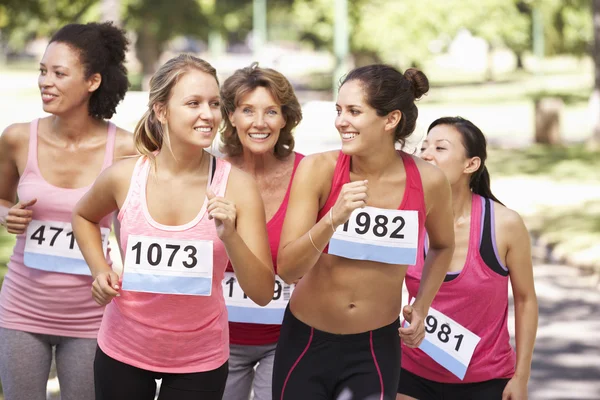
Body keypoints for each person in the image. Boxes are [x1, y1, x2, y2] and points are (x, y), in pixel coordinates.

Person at [71, 54, 275, 400]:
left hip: (200, 358)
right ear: (161, 111)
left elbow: (261, 292)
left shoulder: (237, 186)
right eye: (193, 103)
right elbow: (84, 216)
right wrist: (99, 270)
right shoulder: (124, 176)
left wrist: (231, 236)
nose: (208, 115)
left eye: (214, 103)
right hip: (123, 348)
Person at [272, 64, 455, 400]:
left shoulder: (429, 181)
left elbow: (443, 247)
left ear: (390, 120)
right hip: (307, 341)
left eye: (354, 111)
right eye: (339, 110)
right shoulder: (318, 169)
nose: (341, 121)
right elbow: (287, 269)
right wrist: (332, 219)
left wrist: (422, 305)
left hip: (374, 347)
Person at [0, 22, 135, 400]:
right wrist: (5, 215)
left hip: (92, 317)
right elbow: (0, 199)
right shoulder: (17, 138)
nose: (46, 81)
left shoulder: (126, 149)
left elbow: (136, 232)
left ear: (92, 81)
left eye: (59, 73)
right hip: (21, 311)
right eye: (43, 71)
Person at [397, 117, 538, 400]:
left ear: (470, 165)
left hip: (485, 380)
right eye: (424, 146)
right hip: (412, 373)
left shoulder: (504, 225)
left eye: (440, 148)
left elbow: (525, 299)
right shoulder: (406, 219)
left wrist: (521, 377)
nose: (426, 155)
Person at [219, 63, 304, 400]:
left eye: (271, 111)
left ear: (285, 118)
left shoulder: (307, 173)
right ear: (231, 117)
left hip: (289, 339)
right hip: (217, 339)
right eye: (247, 110)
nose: (259, 123)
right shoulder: (209, 171)